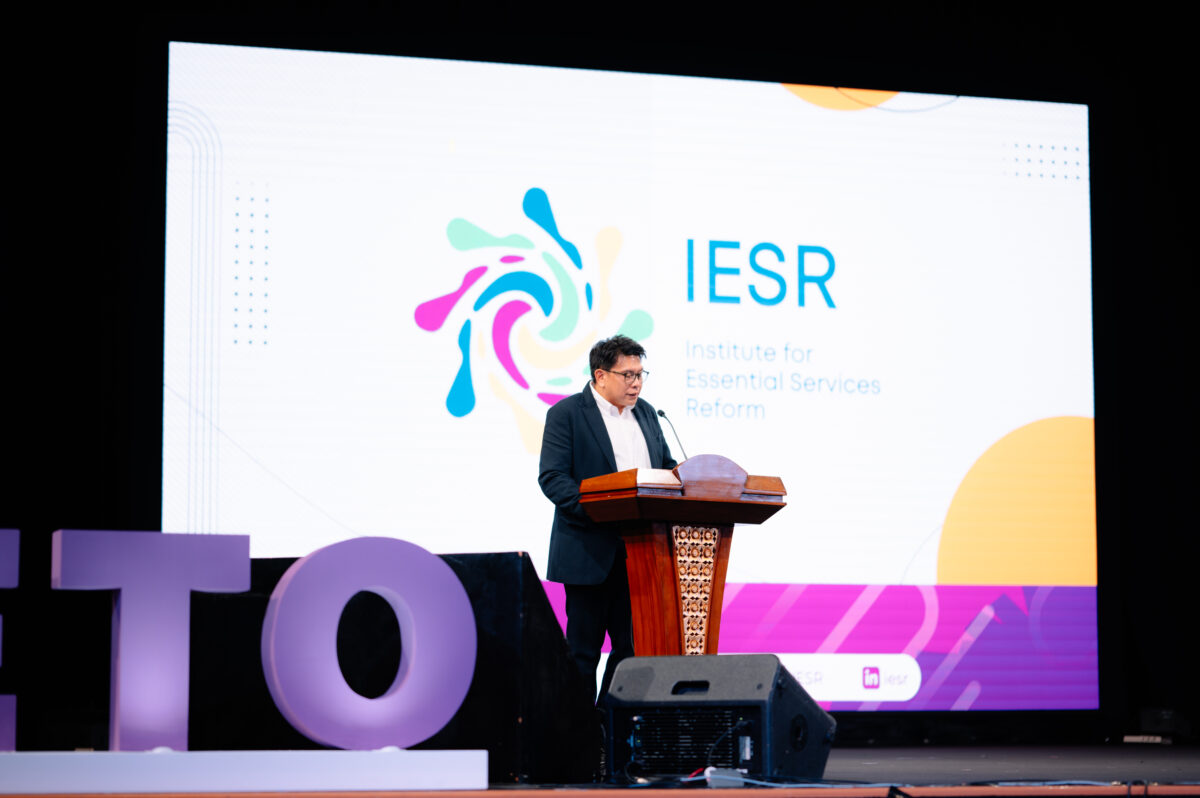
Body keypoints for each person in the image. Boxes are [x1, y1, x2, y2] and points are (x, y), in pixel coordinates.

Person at [538, 335, 677, 701]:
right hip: (588, 550)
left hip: (640, 553)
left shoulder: (646, 413)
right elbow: (553, 478)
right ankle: (579, 729)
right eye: (627, 374)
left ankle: (608, 722)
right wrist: (600, 510)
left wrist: (687, 479)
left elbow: (664, 468)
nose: (636, 383)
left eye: (641, 374)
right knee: (583, 652)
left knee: (632, 650)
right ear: (600, 375)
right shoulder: (567, 414)